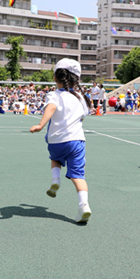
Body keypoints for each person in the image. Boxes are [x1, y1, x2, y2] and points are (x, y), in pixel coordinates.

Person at [29, 59, 92, 223]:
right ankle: (84, 205)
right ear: (76, 79)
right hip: (77, 141)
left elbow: (51, 107)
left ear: (55, 77)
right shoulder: (81, 98)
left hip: (57, 140)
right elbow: (82, 118)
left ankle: (55, 180)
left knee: (55, 158)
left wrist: (41, 124)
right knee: (78, 175)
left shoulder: (54, 95)